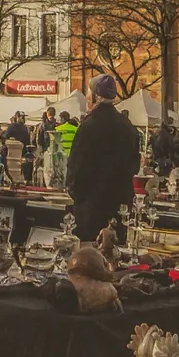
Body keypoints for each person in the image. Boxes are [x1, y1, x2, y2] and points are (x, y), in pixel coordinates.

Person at [66, 73, 141, 240]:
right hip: (120, 201)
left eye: (88, 92)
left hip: (93, 204)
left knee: (91, 256)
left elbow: (76, 166)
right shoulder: (127, 125)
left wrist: (75, 194)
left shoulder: (89, 125)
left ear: (95, 95)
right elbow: (135, 165)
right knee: (117, 254)